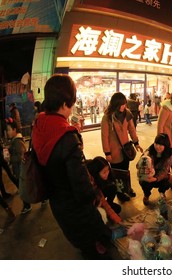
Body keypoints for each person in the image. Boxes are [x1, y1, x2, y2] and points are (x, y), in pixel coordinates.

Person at [32, 74, 125, 259]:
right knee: (95, 247)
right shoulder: (67, 136)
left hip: (57, 202)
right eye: (72, 103)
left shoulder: (39, 125)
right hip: (77, 206)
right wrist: (96, 196)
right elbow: (81, 187)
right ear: (66, 102)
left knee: (82, 242)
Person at [101, 92, 143, 201]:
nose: (124, 107)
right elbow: (104, 136)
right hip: (114, 151)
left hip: (126, 150)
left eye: (125, 104)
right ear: (115, 104)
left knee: (125, 171)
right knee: (117, 174)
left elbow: (131, 129)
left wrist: (136, 142)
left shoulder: (127, 113)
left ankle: (127, 189)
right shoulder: (107, 118)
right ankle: (120, 193)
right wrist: (107, 153)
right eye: (121, 104)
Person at [5, 117, 32, 214]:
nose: (7, 132)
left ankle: (27, 205)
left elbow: (21, 156)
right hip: (18, 170)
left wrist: (10, 158)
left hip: (20, 170)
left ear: (14, 130)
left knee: (23, 190)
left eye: (8, 130)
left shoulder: (17, 142)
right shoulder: (14, 141)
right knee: (23, 189)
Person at [136, 133, 172, 205]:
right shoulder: (149, 152)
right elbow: (137, 165)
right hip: (149, 176)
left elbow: (165, 170)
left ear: (165, 146)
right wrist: (144, 168)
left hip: (160, 177)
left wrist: (156, 178)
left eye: (161, 145)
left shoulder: (168, 155)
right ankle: (146, 195)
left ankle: (162, 192)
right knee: (144, 183)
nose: (158, 147)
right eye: (156, 143)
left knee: (167, 181)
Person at [86, 156, 122, 223]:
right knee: (101, 216)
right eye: (104, 172)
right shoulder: (89, 184)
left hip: (97, 200)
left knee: (117, 208)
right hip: (89, 207)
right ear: (96, 173)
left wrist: (114, 217)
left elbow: (102, 199)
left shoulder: (97, 181)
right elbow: (101, 200)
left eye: (108, 170)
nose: (107, 173)